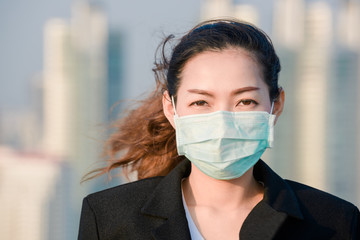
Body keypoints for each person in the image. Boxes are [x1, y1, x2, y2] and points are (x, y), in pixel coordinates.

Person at [78, 19, 360, 240]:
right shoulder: (108, 219)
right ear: (171, 108)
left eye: (245, 101)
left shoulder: (334, 222)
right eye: (201, 101)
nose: (223, 122)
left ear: (275, 106)